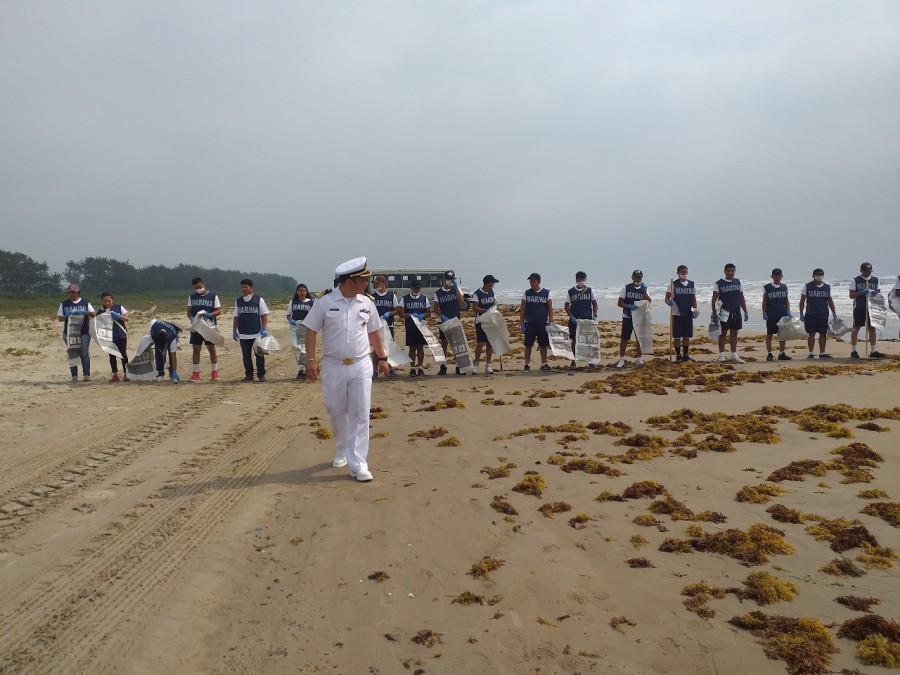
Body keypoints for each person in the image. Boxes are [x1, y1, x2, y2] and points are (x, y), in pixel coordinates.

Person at [303, 257, 389, 483]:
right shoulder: (324, 302)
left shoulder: (366, 303)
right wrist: (310, 360)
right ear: (350, 281)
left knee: (361, 413)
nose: (366, 285)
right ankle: (341, 449)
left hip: (361, 364)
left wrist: (381, 357)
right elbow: (310, 330)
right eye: (363, 281)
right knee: (336, 410)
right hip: (334, 366)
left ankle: (359, 463)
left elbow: (374, 332)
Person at [232, 278, 270, 382]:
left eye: (246, 287)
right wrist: (234, 330)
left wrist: (264, 328)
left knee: (259, 355)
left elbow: (264, 315)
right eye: (242, 287)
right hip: (243, 333)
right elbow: (236, 316)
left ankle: (261, 375)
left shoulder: (258, 300)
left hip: (256, 332)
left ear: (251, 288)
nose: (243, 289)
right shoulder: (239, 301)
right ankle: (249, 374)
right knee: (246, 356)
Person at [57, 283, 96, 382]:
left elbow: (93, 314)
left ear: (78, 292)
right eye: (70, 292)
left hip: (84, 331)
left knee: (84, 352)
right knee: (72, 352)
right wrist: (67, 315)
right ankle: (74, 375)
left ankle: (86, 374)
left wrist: (84, 312)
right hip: (69, 332)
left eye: (73, 292)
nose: (72, 294)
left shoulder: (85, 302)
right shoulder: (64, 304)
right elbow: (60, 319)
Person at [711, 263, 749, 364]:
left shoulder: (738, 282)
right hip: (724, 311)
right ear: (725, 271)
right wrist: (714, 312)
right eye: (728, 271)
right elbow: (714, 299)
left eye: (732, 271)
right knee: (723, 333)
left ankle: (733, 354)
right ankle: (721, 354)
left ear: (735, 271)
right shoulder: (719, 283)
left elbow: (741, 297)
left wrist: (745, 311)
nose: (730, 272)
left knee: (734, 333)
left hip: (736, 311)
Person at [186, 276, 222, 382]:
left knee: (211, 349)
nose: (198, 289)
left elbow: (219, 311)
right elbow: (189, 311)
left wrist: (209, 314)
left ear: (203, 284)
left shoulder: (213, 296)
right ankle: (196, 373)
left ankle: (214, 372)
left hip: (209, 326)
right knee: (196, 349)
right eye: (195, 288)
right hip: (197, 327)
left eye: (199, 287)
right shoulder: (192, 297)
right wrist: (191, 318)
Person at [799, 268, 837, 360]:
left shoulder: (827, 287)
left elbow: (830, 300)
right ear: (813, 276)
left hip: (823, 314)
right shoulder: (807, 286)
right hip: (811, 314)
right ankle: (811, 352)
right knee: (811, 334)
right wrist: (801, 313)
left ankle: (822, 352)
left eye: (821, 275)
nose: (819, 277)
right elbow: (802, 301)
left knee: (823, 333)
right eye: (818, 275)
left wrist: (834, 312)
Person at [433, 270, 466, 375]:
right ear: (444, 279)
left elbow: (461, 301)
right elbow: (435, 308)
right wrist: (441, 316)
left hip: (455, 320)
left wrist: (456, 288)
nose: (450, 281)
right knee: (444, 344)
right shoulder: (438, 292)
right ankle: (443, 365)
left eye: (451, 279)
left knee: (456, 344)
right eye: (448, 279)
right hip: (443, 321)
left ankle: (458, 366)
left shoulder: (456, 290)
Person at [616, 270, 651, 369]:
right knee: (624, 338)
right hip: (628, 316)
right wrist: (628, 306)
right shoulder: (626, 288)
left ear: (642, 278)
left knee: (639, 338)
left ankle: (639, 358)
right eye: (636, 277)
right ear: (632, 277)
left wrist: (644, 292)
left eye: (639, 277)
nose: (637, 279)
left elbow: (649, 301)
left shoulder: (645, 288)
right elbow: (619, 303)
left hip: (639, 317)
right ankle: (621, 359)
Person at [849, 262, 884, 359]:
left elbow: (879, 294)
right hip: (859, 307)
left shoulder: (875, 280)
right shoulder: (855, 280)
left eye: (869, 271)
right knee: (856, 328)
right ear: (861, 271)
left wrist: (874, 293)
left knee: (872, 328)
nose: (868, 273)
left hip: (872, 308)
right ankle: (853, 350)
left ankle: (873, 350)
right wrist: (860, 292)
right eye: (866, 271)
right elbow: (851, 295)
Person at [664, 265, 698, 363]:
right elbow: (666, 298)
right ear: (678, 273)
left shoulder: (692, 284)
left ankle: (686, 355)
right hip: (677, 313)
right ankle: (678, 355)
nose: (684, 274)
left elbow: (693, 298)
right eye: (683, 272)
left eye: (686, 272)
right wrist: (668, 302)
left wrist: (695, 308)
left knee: (687, 335)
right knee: (677, 336)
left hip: (688, 312)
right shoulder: (673, 284)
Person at [519, 272, 552, 371]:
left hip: (542, 323)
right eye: (530, 282)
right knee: (528, 344)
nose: (531, 284)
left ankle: (544, 363)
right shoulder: (527, 293)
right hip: (530, 323)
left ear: (539, 282)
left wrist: (551, 322)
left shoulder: (546, 293)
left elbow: (550, 308)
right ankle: (527, 364)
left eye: (533, 282)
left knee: (543, 345)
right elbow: (522, 309)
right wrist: (522, 323)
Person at [564, 271, 598, 369]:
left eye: (582, 279)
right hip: (575, 320)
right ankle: (573, 361)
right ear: (576, 279)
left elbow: (594, 303)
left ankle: (590, 361)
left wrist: (594, 314)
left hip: (587, 320)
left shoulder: (590, 290)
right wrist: (571, 316)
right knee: (575, 340)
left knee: (588, 341)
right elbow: (566, 305)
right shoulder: (571, 291)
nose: (580, 280)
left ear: (585, 279)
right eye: (578, 279)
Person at [399, 279, 430, 377]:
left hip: (421, 326)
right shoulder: (405, 299)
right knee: (412, 348)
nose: (417, 289)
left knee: (420, 347)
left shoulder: (424, 298)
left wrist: (423, 315)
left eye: (418, 288)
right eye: (415, 288)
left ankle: (420, 367)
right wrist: (410, 315)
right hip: (410, 326)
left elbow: (429, 312)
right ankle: (412, 368)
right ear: (411, 288)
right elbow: (401, 314)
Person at [97, 291, 130, 382]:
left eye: (109, 301)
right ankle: (115, 375)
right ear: (102, 301)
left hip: (120, 334)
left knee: (123, 355)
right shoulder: (100, 311)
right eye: (105, 301)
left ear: (112, 300)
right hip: (108, 337)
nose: (107, 303)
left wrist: (119, 316)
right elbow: (97, 324)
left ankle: (126, 374)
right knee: (112, 355)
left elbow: (127, 318)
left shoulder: (119, 307)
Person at [370, 275, 398, 378]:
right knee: (376, 348)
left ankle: (390, 368)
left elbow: (396, 310)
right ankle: (374, 370)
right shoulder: (373, 297)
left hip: (388, 324)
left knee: (389, 347)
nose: (376, 285)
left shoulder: (391, 296)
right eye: (375, 284)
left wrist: (389, 314)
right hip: (376, 326)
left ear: (383, 283)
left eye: (378, 283)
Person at [761, 268, 792, 362]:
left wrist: (788, 311)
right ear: (772, 276)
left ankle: (782, 353)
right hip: (771, 314)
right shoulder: (767, 287)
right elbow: (764, 301)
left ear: (781, 276)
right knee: (769, 334)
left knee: (782, 335)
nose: (777, 277)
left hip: (782, 314)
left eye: (779, 275)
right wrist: (764, 312)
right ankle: (769, 353)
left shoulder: (784, 287)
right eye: (775, 275)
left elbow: (786, 300)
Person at [473, 274, 499, 374]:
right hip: (480, 320)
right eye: (492, 283)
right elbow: (475, 308)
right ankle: (476, 364)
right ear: (488, 283)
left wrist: (494, 307)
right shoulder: (477, 293)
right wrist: (486, 310)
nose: (493, 285)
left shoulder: (491, 292)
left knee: (489, 343)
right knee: (480, 343)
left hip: (490, 320)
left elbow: (493, 303)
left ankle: (488, 365)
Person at [287, 283, 314, 379]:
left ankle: (303, 370)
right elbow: (288, 314)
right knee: (295, 347)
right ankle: (301, 368)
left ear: (306, 292)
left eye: (304, 291)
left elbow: (314, 315)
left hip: (306, 327)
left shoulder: (311, 302)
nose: (302, 292)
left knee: (303, 349)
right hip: (295, 327)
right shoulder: (293, 302)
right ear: (297, 292)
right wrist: (290, 320)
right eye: (300, 291)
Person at [149, 319, 181, 383]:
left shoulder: (172, 338)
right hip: (160, 332)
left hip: (173, 333)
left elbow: (173, 355)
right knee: (158, 352)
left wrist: (174, 371)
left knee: (171, 354)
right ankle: (160, 372)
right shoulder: (154, 331)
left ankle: (172, 373)